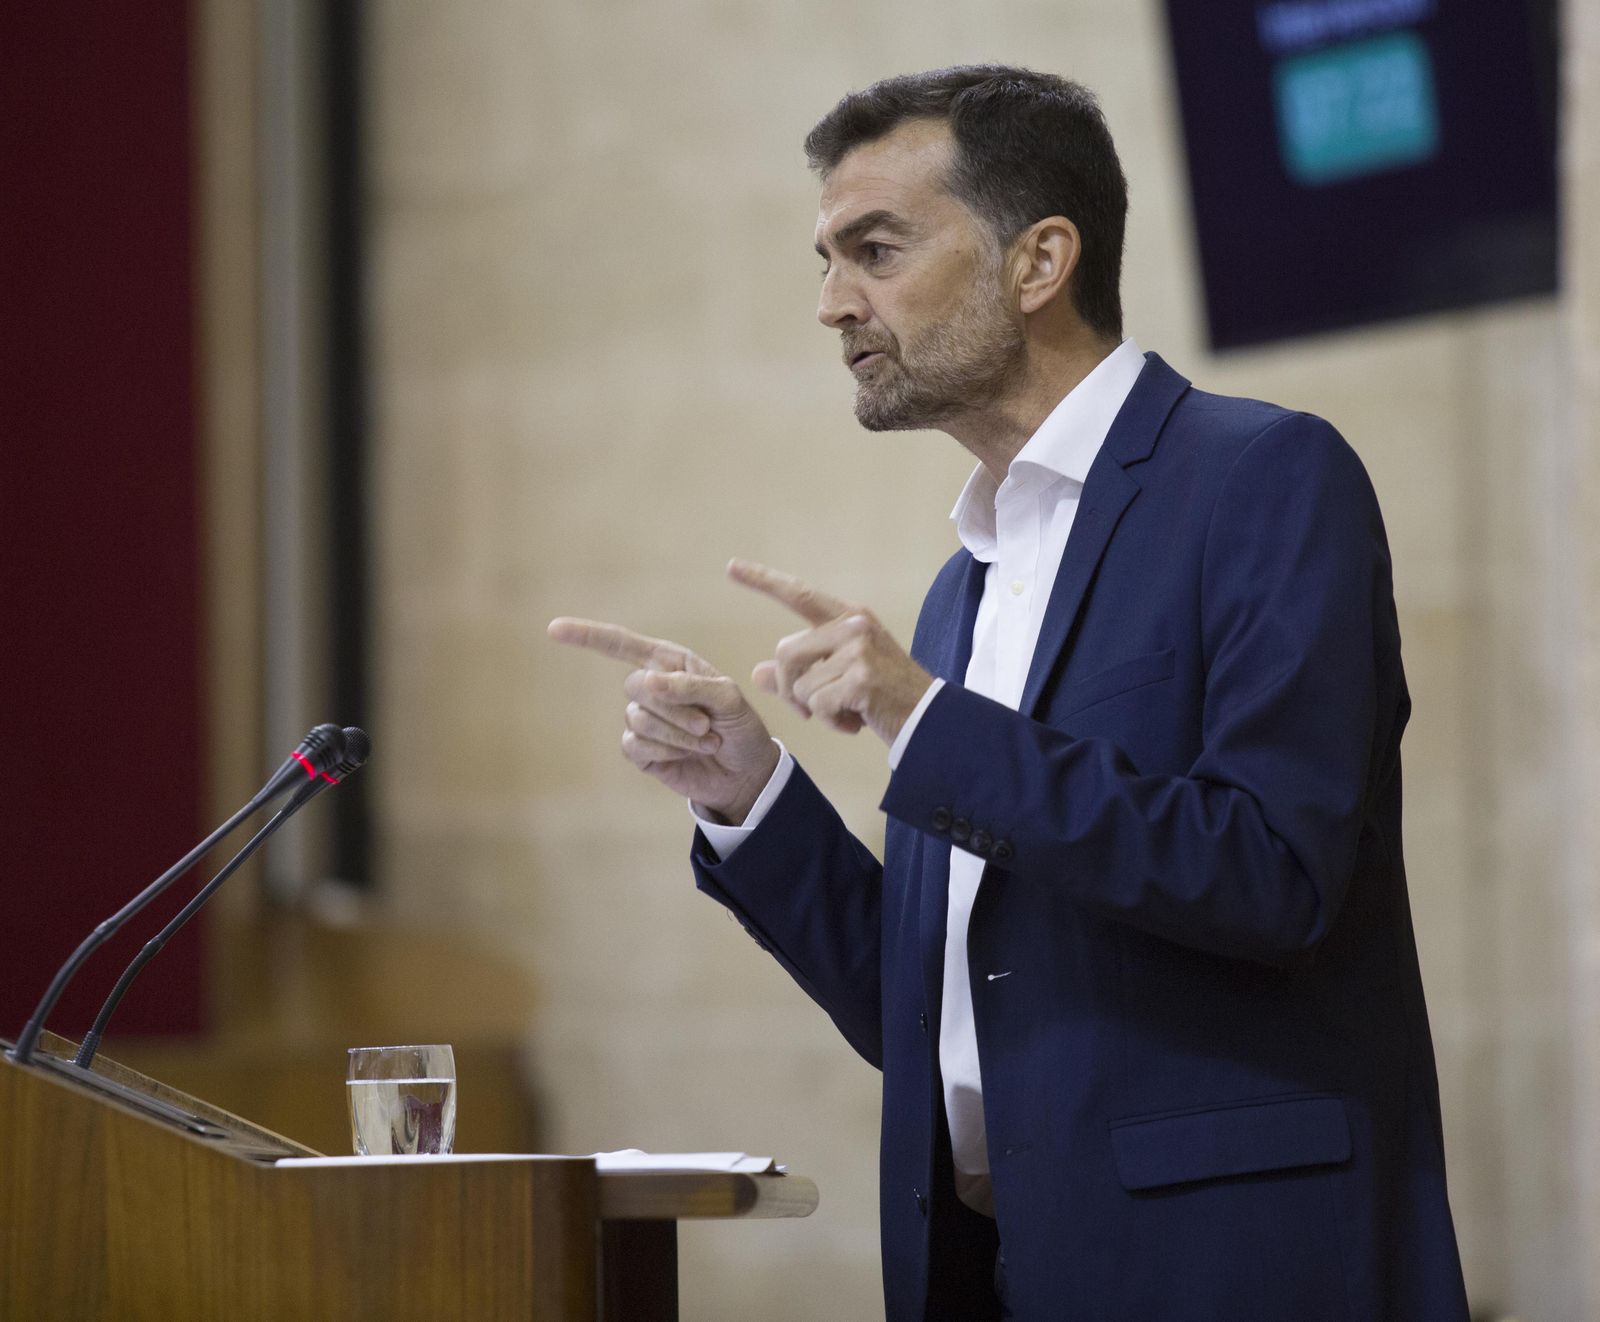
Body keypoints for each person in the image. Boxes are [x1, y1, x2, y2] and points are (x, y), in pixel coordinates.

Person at [551, 65, 1469, 1321]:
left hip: (1228, 1261)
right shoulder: (959, 591)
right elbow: (927, 1004)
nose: (831, 304)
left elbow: (1275, 872)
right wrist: (749, 792)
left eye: (874, 248)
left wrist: (923, 719)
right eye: (822, 258)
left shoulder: (1262, 478)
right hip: (995, 1270)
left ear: (1039, 261)